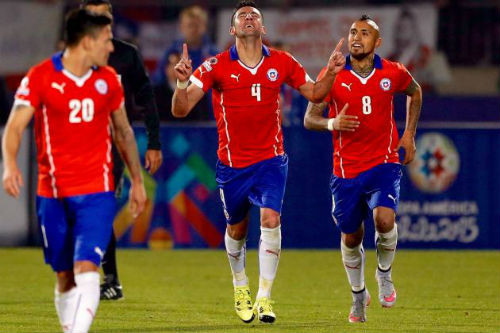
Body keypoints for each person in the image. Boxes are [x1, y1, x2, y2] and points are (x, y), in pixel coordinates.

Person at [172, 0, 345, 324]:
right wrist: (181, 82)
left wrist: (331, 72)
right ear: (232, 29)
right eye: (242, 16)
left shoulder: (282, 62)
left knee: (270, 219)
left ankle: (265, 297)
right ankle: (241, 287)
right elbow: (180, 110)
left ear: (263, 28)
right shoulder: (214, 65)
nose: (249, 18)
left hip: (271, 161)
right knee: (236, 230)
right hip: (232, 165)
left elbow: (316, 93)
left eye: (255, 15)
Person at [2, 9, 146, 333]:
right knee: (64, 275)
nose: (112, 48)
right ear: (88, 41)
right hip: (52, 193)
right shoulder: (40, 77)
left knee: (87, 267)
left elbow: (123, 132)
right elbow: (14, 127)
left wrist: (137, 181)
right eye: (107, 40)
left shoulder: (108, 80)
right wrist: (10, 164)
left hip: (97, 190)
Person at [304, 15, 422, 323]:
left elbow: (415, 92)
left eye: (365, 33)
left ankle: (384, 274)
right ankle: (358, 295)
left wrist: (408, 134)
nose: (357, 37)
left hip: (384, 164)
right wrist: (332, 122)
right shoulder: (334, 74)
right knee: (351, 237)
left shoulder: (393, 72)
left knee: (384, 220)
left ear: (377, 42)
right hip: (346, 171)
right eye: (353, 32)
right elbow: (309, 118)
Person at [81, 0, 163, 301]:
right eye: (95, 16)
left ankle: (110, 280)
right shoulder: (73, 55)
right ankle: (100, 276)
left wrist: (154, 142)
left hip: (110, 146)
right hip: (75, 145)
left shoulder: (126, 55)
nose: (102, 22)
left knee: (98, 208)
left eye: (106, 16)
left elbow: (146, 100)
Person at [153, 5, 218, 121]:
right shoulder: (172, 54)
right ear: (181, 27)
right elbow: (159, 83)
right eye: (190, 25)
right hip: (176, 117)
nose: (193, 30)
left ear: (204, 27)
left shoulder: (214, 55)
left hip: (211, 117)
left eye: (197, 25)